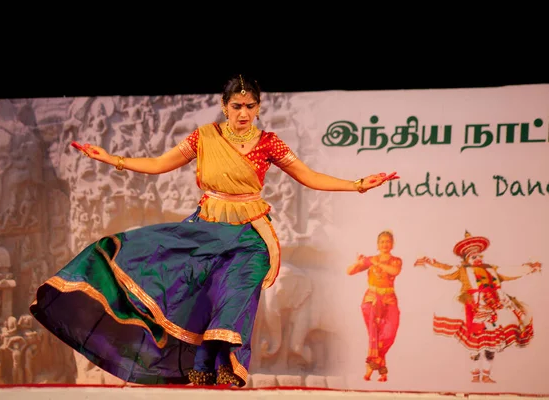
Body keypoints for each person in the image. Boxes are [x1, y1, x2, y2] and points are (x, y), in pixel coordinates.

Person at [29, 74, 399, 388]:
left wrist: (359, 184)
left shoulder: (269, 142)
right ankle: (202, 364)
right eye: (236, 106)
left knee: (236, 297)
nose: (243, 113)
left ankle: (224, 364)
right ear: (225, 106)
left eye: (250, 106)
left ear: (258, 107)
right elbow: (160, 164)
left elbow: (309, 176)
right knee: (182, 284)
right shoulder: (204, 137)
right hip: (207, 230)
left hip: (252, 236)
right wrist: (111, 159)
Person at [415, 231, 540, 383]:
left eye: (479, 256)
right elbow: (446, 270)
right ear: (467, 258)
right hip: (474, 309)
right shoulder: (462, 270)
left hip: (496, 306)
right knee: (475, 346)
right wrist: (428, 263)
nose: (478, 259)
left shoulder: (492, 269)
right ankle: (475, 377)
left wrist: (528, 268)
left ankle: (486, 376)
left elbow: (509, 272)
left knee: (491, 347)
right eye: (474, 257)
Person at [346, 231, 402, 382]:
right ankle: (381, 371)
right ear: (378, 245)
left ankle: (372, 364)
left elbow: (394, 271)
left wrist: (375, 263)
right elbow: (349, 272)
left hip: (389, 299)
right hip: (371, 299)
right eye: (382, 242)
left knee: (389, 333)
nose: (385, 244)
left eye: (387, 241)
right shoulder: (371, 260)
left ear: (392, 244)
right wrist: (358, 263)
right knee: (375, 334)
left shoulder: (396, 260)